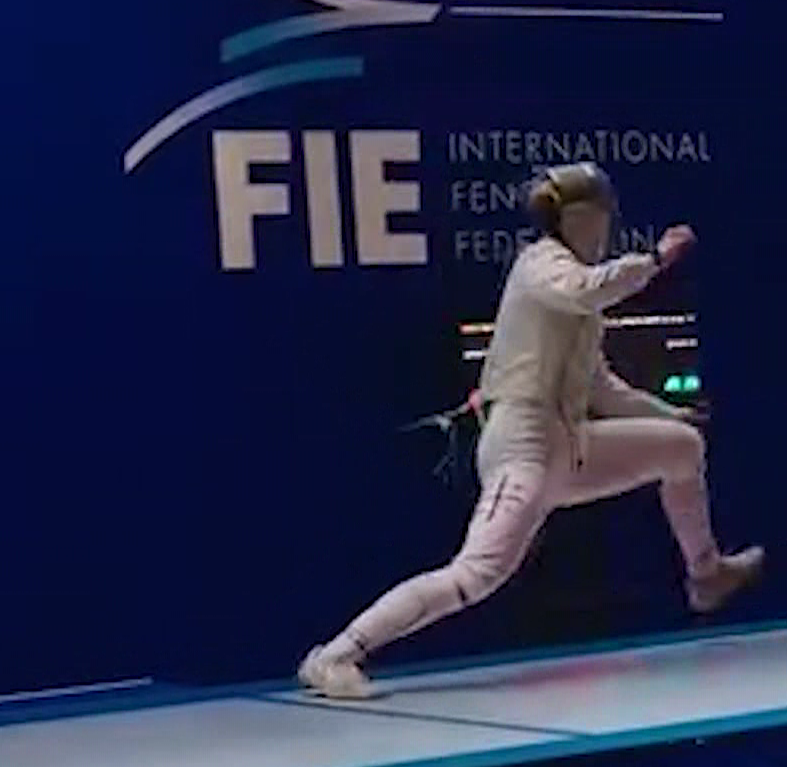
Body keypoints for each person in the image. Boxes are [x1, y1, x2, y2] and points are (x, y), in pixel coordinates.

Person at [300, 162, 763, 698]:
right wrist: (656, 260)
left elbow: (602, 388)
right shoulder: (542, 265)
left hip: (568, 446)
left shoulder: (576, 300)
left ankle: (706, 574)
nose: (605, 229)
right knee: (473, 576)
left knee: (681, 447)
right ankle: (336, 655)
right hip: (522, 446)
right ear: (580, 218)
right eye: (599, 217)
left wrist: (669, 416)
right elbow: (585, 290)